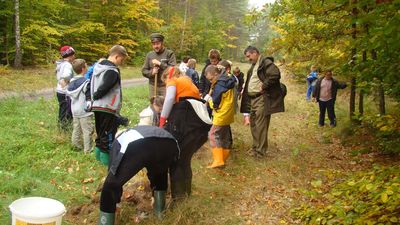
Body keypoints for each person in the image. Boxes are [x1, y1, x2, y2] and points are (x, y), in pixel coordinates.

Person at [98, 126, 180, 225]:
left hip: (140, 144)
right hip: (170, 143)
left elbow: (114, 173)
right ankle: (159, 214)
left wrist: (117, 203)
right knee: (159, 173)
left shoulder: (118, 141)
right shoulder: (135, 131)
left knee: (110, 186)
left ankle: (105, 222)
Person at [159, 66, 212, 200]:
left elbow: (170, 98)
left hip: (183, 122)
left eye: (164, 82)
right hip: (197, 125)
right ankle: (186, 193)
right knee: (185, 160)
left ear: (167, 77)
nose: (166, 85)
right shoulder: (189, 82)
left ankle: (178, 197)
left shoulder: (173, 80)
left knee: (176, 160)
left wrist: (162, 119)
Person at [240, 46, 285, 158]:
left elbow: (275, 74)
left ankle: (261, 152)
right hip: (252, 99)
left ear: (255, 53)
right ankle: (255, 148)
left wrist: (264, 85)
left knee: (261, 125)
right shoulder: (254, 65)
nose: (248, 59)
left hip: (261, 98)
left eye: (249, 56)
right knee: (254, 124)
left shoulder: (265, 62)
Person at [91, 45, 129, 166]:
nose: (121, 63)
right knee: (108, 137)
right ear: (117, 56)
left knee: (100, 134)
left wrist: (93, 98)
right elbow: (105, 87)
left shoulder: (98, 67)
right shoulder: (112, 71)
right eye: (121, 59)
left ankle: (98, 159)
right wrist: (97, 94)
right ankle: (107, 165)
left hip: (97, 106)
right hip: (107, 107)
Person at [203, 64, 236, 168]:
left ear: (216, 74)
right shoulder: (227, 80)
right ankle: (223, 158)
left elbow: (216, 104)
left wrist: (209, 100)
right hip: (228, 114)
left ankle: (218, 160)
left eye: (211, 79)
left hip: (221, 114)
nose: (210, 81)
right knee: (224, 136)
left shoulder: (219, 86)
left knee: (213, 134)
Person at [66, 59, 94, 153]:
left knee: (76, 129)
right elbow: (89, 97)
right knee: (87, 130)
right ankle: (88, 149)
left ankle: (76, 146)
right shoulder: (86, 82)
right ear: (83, 68)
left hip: (74, 110)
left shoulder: (71, 82)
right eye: (86, 66)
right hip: (84, 110)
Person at [142, 33, 176, 98]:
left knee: (165, 106)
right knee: (154, 105)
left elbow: (173, 70)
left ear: (162, 43)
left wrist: (160, 64)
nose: (155, 46)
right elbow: (144, 71)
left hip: (166, 85)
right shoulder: (149, 55)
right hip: (153, 86)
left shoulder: (169, 53)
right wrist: (152, 72)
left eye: (157, 44)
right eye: (153, 44)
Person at [55, 45, 75, 131]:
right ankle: (65, 128)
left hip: (59, 91)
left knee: (62, 109)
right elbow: (66, 75)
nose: (74, 56)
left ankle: (61, 126)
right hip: (65, 92)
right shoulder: (67, 65)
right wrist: (68, 81)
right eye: (73, 55)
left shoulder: (61, 64)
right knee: (67, 110)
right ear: (69, 55)